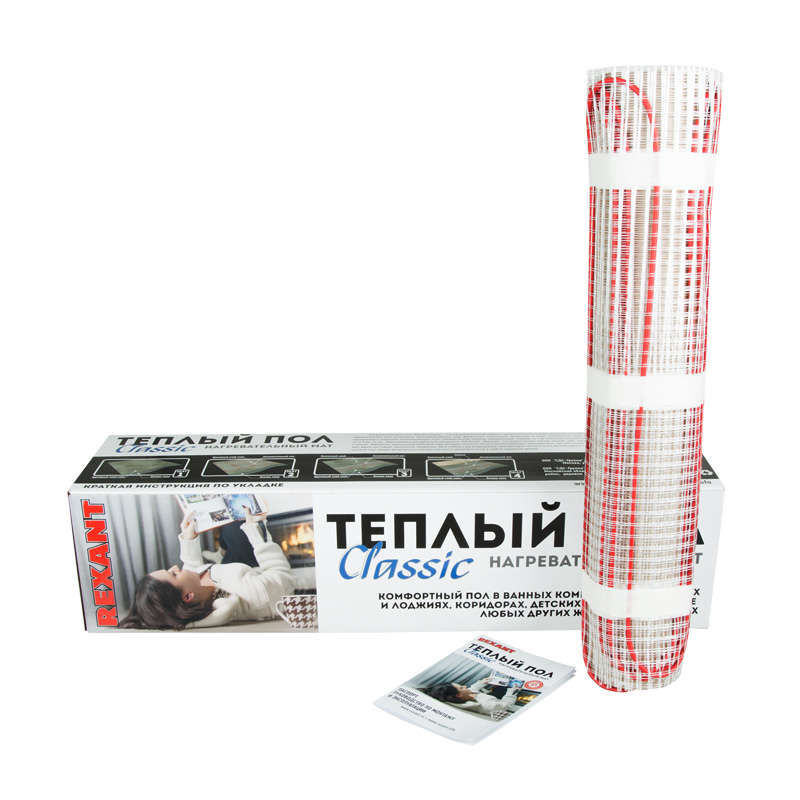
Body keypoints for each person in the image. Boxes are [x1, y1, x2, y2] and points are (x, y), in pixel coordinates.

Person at [119, 506, 295, 629]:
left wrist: (188, 537)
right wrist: (256, 531)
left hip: (227, 569)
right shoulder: (250, 595)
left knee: (228, 533)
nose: (174, 566)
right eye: (173, 574)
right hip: (255, 569)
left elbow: (191, 565)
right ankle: (223, 551)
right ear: (188, 596)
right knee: (234, 528)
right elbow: (281, 574)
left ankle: (221, 552)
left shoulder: (198, 590)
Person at [420, 677, 519, 716]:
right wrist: (512, 692)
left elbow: (471, 690)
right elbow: (506, 705)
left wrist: (482, 682)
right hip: (503, 702)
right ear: (458, 695)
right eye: (461, 687)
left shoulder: (459, 698)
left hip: (491, 697)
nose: (465, 686)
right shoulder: (485, 705)